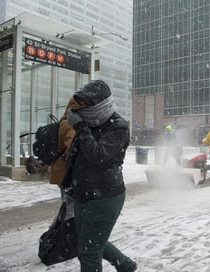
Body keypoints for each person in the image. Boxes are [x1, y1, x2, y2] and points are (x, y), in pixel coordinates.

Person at [63, 80, 137, 272]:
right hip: (82, 193)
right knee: (90, 241)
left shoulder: (117, 126)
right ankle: (125, 265)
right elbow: (75, 156)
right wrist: (68, 183)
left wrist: (81, 128)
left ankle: (125, 265)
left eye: (86, 105)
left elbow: (99, 155)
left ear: (99, 105)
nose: (81, 109)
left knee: (88, 250)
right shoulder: (89, 123)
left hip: (105, 196)